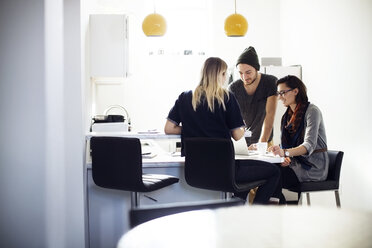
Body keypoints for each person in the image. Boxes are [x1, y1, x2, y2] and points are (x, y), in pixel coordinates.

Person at [164, 57, 280, 205]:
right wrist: (241, 126)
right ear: (221, 75)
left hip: (196, 171)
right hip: (225, 171)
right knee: (274, 172)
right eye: (225, 74)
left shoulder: (185, 97)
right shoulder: (226, 97)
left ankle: (236, 204)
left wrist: (193, 128)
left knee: (243, 177)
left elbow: (169, 128)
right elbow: (237, 135)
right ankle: (253, 213)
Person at [269, 75, 329, 203]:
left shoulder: (312, 111)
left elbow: (308, 145)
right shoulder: (287, 117)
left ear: (295, 91)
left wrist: (285, 153)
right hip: (295, 164)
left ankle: (274, 208)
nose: (280, 97)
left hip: (313, 168)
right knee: (268, 170)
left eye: (283, 93)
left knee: (271, 174)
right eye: (278, 93)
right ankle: (278, 207)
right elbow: (287, 146)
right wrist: (281, 152)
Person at [228, 46, 277, 147]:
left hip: (265, 141)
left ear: (256, 69)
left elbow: (270, 115)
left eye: (248, 72)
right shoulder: (233, 88)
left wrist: (262, 143)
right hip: (242, 143)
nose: (244, 77)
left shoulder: (270, 82)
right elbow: (232, 119)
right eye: (240, 73)